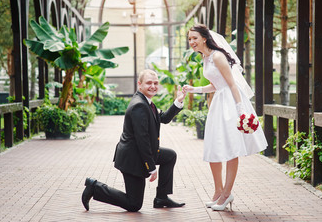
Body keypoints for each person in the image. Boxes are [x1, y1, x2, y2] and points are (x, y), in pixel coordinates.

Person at [183, 24, 268, 211]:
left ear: (204, 38)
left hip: (230, 102)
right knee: (214, 146)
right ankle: (218, 191)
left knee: (230, 148)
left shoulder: (218, 56)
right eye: (190, 39)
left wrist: (240, 111)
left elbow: (232, 84)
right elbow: (216, 84)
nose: (192, 42)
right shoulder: (205, 57)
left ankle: (227, 193)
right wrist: (194, 89)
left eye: (194, 38)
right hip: (218, 103)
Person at [82, 69, 187, 212]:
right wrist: (151, 167)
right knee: (134, 204)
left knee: (169, 156)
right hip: (132, 158)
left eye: (155, 83)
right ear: (140, 84)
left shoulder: (147, 102)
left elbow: (164, 118)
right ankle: (94, 187)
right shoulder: (139, 106)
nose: (153, 86)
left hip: (139, 153)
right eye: (149, 83)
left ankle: (162, 197)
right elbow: (142, 140)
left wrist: (178, 101)